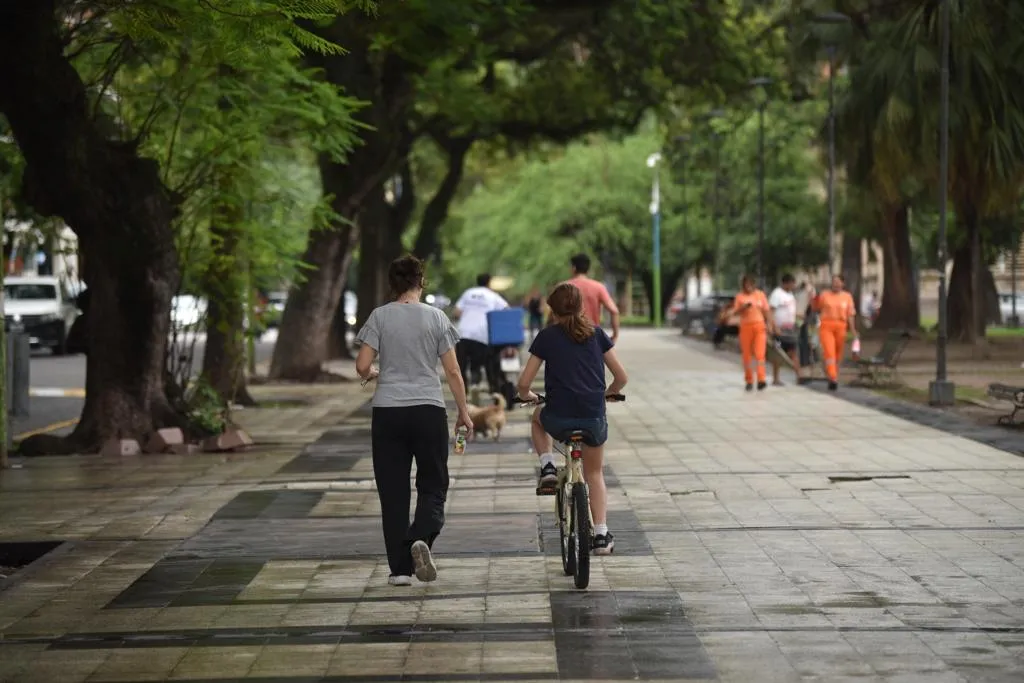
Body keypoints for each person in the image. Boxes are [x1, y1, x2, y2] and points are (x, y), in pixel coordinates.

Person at [355, 255, 474, 587]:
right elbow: (452, 371)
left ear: (393, 283)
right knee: (434, 483)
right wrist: (463, 411)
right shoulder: (436, 318)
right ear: (421, 282)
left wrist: (377, 373)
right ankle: (420, 537)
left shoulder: (379, 317)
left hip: (388, 412)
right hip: (428, 410)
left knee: (392, 492)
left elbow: (362, 365)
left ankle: (400, 571)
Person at [517, 282, 628, 555]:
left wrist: (530, 395)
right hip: (593, 417)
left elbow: (523, 384)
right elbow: (621, 377)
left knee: (537, 418)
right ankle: (601, 535)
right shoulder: (597, 334)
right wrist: (608, 393)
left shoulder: (546, 337)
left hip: (558, 416)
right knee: (594, 472)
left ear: (552, 310)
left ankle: (547, 467)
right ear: (581, 307)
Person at [453, 273, 509, 392]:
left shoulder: (468, 293)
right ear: (489, 282)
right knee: (476, 364)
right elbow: (506, 310)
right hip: (481, 335)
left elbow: (457, 312)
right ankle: (475, 383)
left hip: (463, 333)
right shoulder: (493, 295)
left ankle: (464, 393)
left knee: (461, 367)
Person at [722, 275, 776, 391]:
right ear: (743, 285)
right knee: (747, 355)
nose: (749, 287)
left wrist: (770, 324)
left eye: (751, 284)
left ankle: (761, 380)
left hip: (759, 327)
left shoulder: (760, 295)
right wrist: (743, 308)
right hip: (746, 327)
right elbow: (735, 312)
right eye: (747, 284)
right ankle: (749, 380)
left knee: (759, 354)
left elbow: (766, 311)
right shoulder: (740, 297)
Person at [813, 274, 859, 391]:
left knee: (838, 354)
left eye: (838, 282)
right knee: (830, 352)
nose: (836, 284)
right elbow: (816, 308)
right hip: (826, 326)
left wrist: (853, 331)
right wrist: (814, 299)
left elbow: (850, 315)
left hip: (841, 326)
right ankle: (833, 378)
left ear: (843, 284)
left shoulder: (847, 297)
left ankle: (833, 375)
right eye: (834, 282)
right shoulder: (824, 295)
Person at [567, 253, 620, 343]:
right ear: (588, 269)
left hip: (568, 336)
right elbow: (614, 311)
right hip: (592, 336)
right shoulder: (598, 287)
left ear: (574, 268)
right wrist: (615, 335)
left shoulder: (564, 287)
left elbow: (553, 314)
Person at [768, 274, 799, 386]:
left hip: (790, 329)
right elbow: (770, 311)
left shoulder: (790, 295)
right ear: (786, 283)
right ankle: (776, 378)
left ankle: (799, 376)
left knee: (793, 352)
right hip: (779, 329)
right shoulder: (777, 294)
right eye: (792, 283)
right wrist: (773, 326)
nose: (793, 286)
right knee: (778, 353)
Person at [794, 281, 817, 383]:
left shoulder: (813, 308)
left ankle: (808, 374)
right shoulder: (801, 301)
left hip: (810, 328)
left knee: (811, 351)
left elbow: (814, 319)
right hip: (802, 329)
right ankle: (803, 375)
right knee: (802, 351)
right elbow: (798, 317)